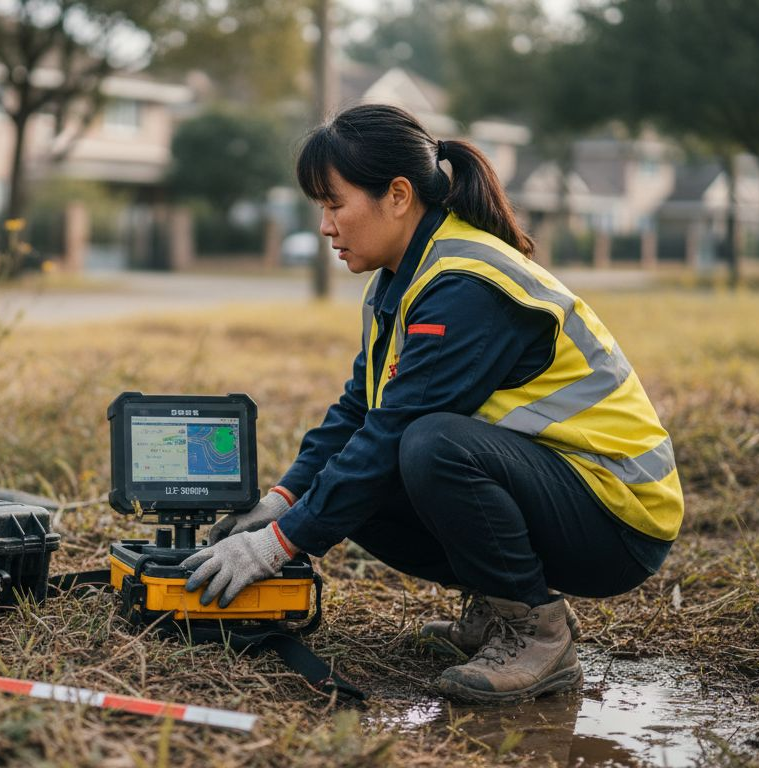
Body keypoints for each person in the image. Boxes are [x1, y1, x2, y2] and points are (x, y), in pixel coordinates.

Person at [182, 104, 683, 704]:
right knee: (354, 484)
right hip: (558, 492)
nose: (325, 226)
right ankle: (500, 608)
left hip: (618, 516)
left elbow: (395, 430)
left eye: (335, 204)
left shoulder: (466, 285)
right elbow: (358, 411)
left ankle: (536, 632)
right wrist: (281, 502)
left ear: (397, 195)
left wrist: (277, 546)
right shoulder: (400, 278)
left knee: (428, 444)